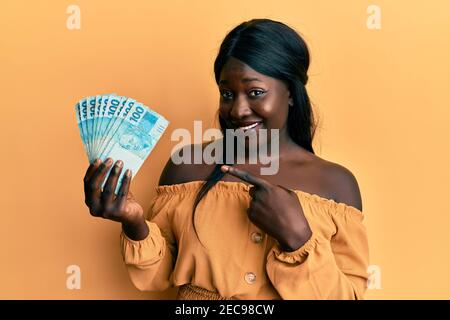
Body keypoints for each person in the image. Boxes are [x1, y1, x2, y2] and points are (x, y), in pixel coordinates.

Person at [83, 18, 369, 300]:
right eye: (227, 94)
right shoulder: (186, 166)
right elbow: (158, 276)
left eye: (255, 92)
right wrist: (133, 221)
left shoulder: (336, 184)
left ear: (291, 93)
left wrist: (297, 238)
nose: (238, 110)